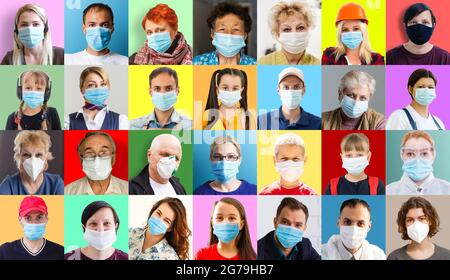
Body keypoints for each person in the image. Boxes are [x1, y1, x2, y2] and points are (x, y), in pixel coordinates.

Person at [65, 66, 129, 130]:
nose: (98, 89)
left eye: (103, 84)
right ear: (82, 89)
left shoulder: (121, 120)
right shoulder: (67, 121)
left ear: (108, 87)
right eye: (91, 85)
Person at [0, 131, 63, 195]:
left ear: (46, 158)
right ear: (19, 158)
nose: (33, 161)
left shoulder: (56, 184)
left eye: (38, 154)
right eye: (26, 154)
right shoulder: (9, 185)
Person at [321, 198, 386, 260]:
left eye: (360, 223)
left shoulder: (379, 256)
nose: (354, 229)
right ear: (338, 222)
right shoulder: (321, 253)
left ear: (369, 226)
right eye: (347, 222)